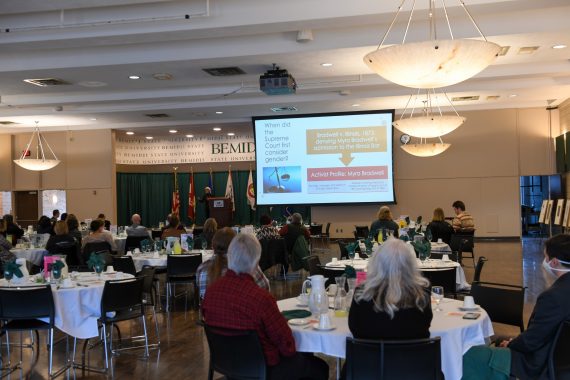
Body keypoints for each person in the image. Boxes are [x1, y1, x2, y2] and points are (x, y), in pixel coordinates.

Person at [202, 233, 328, 380]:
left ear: (230, 257)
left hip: (228, 367)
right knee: (319, 368)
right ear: (256, 263)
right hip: (265, 370)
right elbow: (287, 345)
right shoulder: (260, 298)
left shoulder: (210, 293)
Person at [463, 234, 570, 380]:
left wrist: (511, 344)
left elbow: (531, 341)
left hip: (537, 364)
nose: (543, 262)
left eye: (545, 257)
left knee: (468, 357)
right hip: (561, 361)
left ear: (555, 262)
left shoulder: (553, 297)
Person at [349, 238, 433, 339]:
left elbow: (354, 328)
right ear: (409, 265)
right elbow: (425, 325)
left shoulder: (362, 293)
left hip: (370, 354)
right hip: (414, 354)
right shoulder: (422, 292)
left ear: (376, 263)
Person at [197, 227, 269, 299]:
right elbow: (265, 287)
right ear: (236, 245)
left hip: (211, 308)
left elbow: (202, 296)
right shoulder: (247, 265)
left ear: (213, 245)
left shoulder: (202, 268)